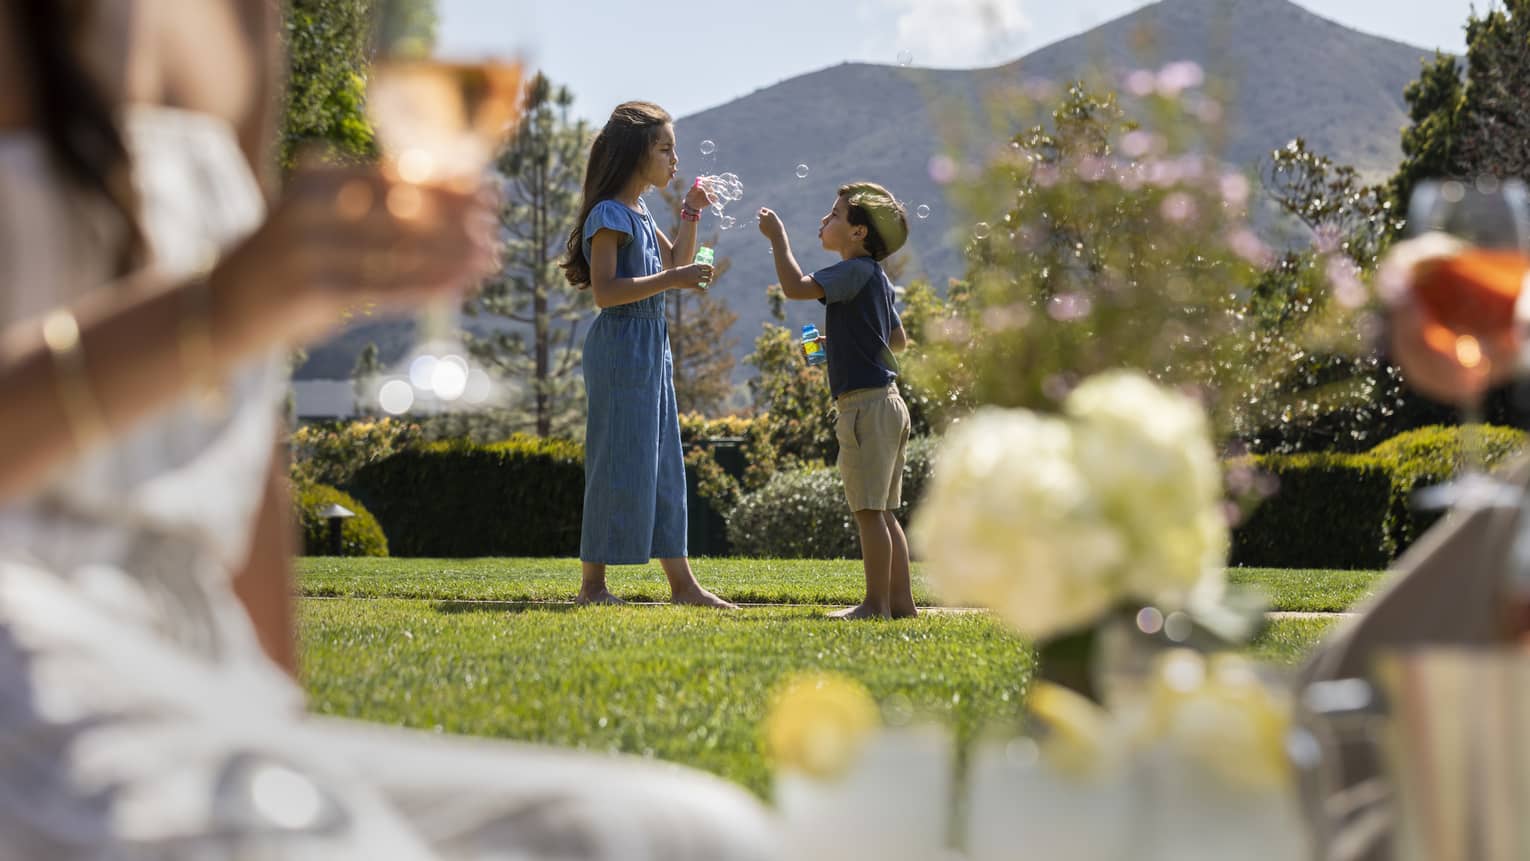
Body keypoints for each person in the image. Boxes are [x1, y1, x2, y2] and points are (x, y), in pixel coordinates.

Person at [0, 2, 776, 858]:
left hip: (190, 666)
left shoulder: (240, 19)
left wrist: (275, 721)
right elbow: (229, 315)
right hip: (27, 646)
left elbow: (244, 422)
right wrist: (220, 308)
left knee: (691, 832)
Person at [560, 101, 735, 609]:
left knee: (661, 464)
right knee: (616, 462)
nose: (674, 159)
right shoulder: (608, 214)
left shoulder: (638, 211)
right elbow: (606, 292)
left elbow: (680, 259)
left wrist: (692, 211)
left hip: (651, 346)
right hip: (620, 346)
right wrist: (676, 278)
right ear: (637, 152)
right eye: (665, 148)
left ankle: (684, 587)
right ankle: (593, 588)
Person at [756, 183, 915, 620]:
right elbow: (896, 341)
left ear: (859, 232)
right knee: (883, 512)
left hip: (864, 406)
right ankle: (901, 605)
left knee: (867, 511)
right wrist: (848, 342)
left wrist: (777, 238)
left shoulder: (853, 270)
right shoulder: (878, 278)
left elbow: (793, 287)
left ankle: (874, 606)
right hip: (889, 403)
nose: (826, 221)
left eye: (835, 215)